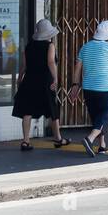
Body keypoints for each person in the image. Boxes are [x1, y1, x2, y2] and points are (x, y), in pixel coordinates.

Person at [68, 20, 108, 157]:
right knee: (104, 117)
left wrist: (75, 86)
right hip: (105, 88)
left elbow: (77, 69)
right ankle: (89, 139)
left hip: (88, 88)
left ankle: (102, 145)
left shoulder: (85, 47)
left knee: (97, 117)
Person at [11, 19, 68, 151]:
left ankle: (25, 141)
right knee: (52, 110)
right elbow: (50, 62)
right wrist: (55, 78)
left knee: (27, 111)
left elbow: (24, 65)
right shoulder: (50, 46)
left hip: (29, 81)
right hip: (45, 81)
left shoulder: (29, 46)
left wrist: (20, 78)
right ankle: (58, 139)